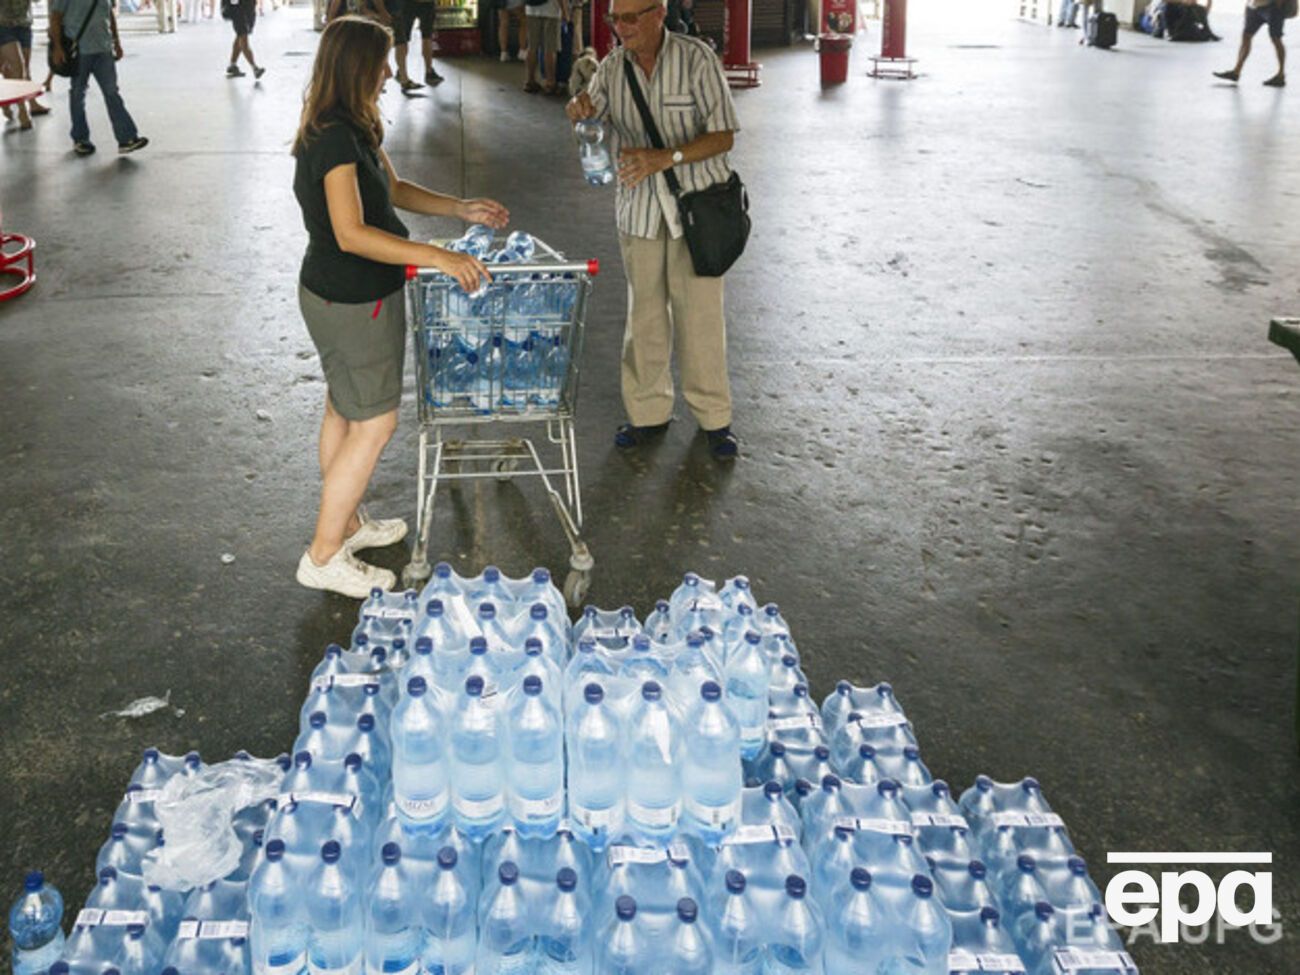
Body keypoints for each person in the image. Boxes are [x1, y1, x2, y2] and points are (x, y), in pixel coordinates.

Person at [292, 15, 509, 597]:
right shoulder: (336, 137)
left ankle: (349, 523)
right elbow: (351, 233)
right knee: (376, 422)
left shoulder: (353, 125)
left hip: (344, 294)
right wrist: (434, 257)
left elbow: (391, 191)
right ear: (357, 65)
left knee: (343, 409)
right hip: (351, 295)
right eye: (383, 60)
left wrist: (458, 208)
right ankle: (323, 554)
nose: (391, 69)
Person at [565, 0, 742, 461]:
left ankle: (714, 420)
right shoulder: (610, 68)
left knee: (699, 316)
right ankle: (647, 414)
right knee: (643, 315)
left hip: (696, 210)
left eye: (629, 18)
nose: (620, 29)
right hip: (639, 210)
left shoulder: (696, 58)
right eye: (613, 20)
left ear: (659, 13)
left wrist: (667, 157)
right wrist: (580, 112)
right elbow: (593, 123)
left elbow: (723, 135)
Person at [48, 0, 149, 156]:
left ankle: (127, 139)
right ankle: (80, 139)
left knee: (112, 92)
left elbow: (109, 15)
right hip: (79, 51)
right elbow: (55, 17)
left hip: (103, 49)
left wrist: (116, 41)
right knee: (78, 93)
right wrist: (57, 47)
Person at [1, 0, 50, 131]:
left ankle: (10, 102)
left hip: (24, 23)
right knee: (18, 66)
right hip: (3, 25)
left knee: (22, 69)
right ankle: (23, 111)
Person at [1215, 0, 1286, 86]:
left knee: (1276, 38)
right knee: (1246, 36)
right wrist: (1248, 5)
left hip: (1271, 7)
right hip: (1254, 7)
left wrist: (1279, 5)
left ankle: (1280, 75)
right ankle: (1236, 72)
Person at [394, 0, 443, 89]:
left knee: (424, 37)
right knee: (402, 40)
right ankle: (403, 75)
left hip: (423, 4)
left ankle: (426, 71)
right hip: (411, 4)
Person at [524, 0, 568, 94]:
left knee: (532, 47)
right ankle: (550, 83)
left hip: (531, 9)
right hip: (551, 11)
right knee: (550, 48)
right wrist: (565, 11)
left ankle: (530, 81)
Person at [225, 0, 265, 79]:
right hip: (239, 11)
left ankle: (232, 65)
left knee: (239, 37)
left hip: (246, 10)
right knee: (243, 39)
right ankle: (255, 68)